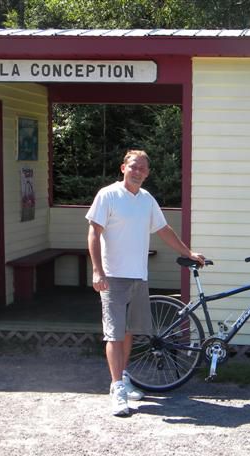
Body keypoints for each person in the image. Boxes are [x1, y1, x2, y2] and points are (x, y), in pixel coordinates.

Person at [86, 149, 204, 417]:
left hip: (139, 275)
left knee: (130, 331)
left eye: (142, 168)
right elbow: (94, 232)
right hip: (113, 276)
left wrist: (188, 253)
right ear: (123, 167)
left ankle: (123, 377)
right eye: (133, 166)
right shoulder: (108, 195)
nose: (137, 171)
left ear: (147, 173)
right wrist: (97, 271)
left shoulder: (147, 199)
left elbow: (164, 230)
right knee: (114, 333)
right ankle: (117, 389)